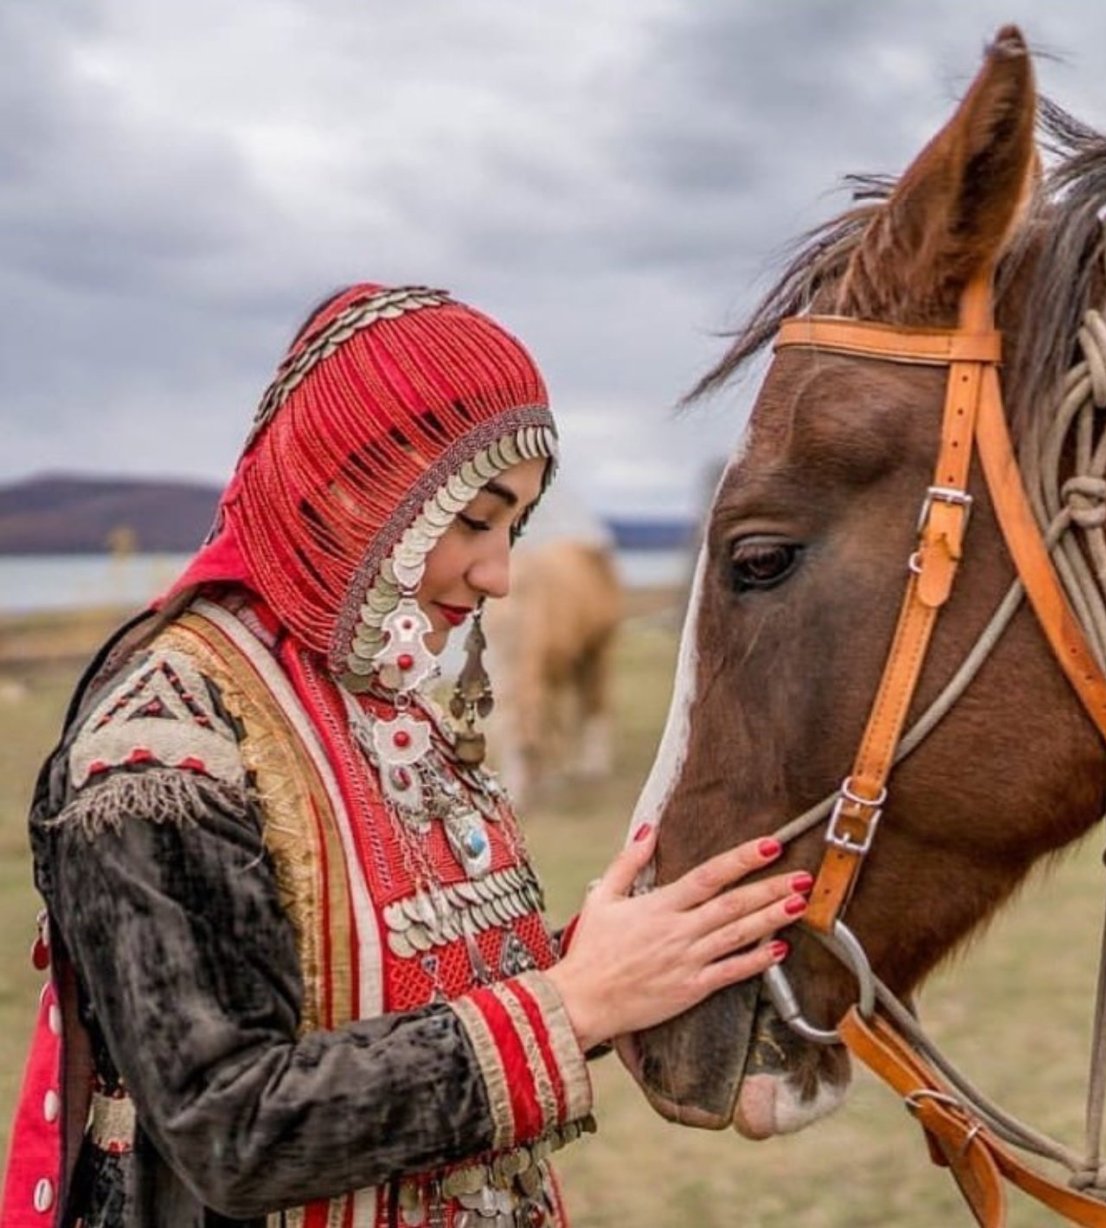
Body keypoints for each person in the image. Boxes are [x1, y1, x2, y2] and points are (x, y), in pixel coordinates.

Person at [1, 284, 810, 1227]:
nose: (498, 574)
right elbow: (230, 1129)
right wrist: (571, 1003)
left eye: (515, 528)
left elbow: (392, 1008)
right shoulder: (164, 745)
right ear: (357, 487)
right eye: (474, 520)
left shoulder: (370, 696)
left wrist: (600, 965)